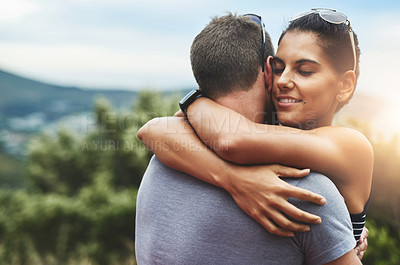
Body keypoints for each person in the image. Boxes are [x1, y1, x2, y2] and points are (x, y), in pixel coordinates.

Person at [136, 11, 370, 264]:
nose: (282, 80)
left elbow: (230, 139)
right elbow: (155, 130)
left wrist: (195, 100)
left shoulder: (350, 145)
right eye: (278, 68)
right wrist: (234, 179)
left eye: (304, 71)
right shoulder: (265, 135)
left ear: (345, 85)